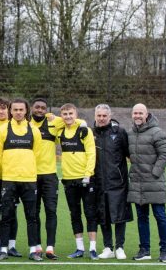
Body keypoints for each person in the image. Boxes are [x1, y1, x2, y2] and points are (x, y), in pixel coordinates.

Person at [0, 98, 42, 261]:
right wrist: (9, 168)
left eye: (21, 110)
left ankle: (33, 251)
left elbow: (37, 153)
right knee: (6, 215)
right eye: (15, 110)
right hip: (9, 179)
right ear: (10, 111)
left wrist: (26, 167)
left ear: (26, 111)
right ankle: (4, 249)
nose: (18, 112)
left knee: (31, 216)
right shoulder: (2, 130)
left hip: (29, 179)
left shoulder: (34, 130)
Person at [127, 103, 166, 262]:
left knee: (160, 216)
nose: (137, 116)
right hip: (137, 184)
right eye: (135, 113)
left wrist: (155, 173)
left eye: (140, 113)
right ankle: (144, 250)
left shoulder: (157, 132)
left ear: (146, 115)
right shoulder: (130, 133)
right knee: (142, 217)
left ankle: (165, 250)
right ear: (132, 115)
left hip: (154, 183)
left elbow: (165, 153)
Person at [57, 104, 98, 260]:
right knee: (74, 214)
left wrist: (87, 175)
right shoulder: (60, 132)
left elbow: (91, 153)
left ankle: (93, 248)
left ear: (76, 114)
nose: (68, 116)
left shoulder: (85, 130)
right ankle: (79, 248)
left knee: (90, 213)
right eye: (65, 114)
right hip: (68, 180)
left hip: (85, 179)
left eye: (70, 113)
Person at [93, 104, 132, 260]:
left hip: (118, 182)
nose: (101, 118)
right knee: (104, 215)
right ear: (95, 116)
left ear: (110, 116)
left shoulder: (120, 132)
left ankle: (120, 247)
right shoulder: (90, 133)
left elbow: (129, 154)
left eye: (104, 116)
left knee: (119, 215)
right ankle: (108, 247)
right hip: (98, 182)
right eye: (99, 115)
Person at [30, 98, 66, 260]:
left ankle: (50, 247)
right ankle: (37, 246)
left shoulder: (53, 123)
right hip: (30, 175)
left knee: (51, 211)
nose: (40, 110)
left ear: (47, 110)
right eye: (37, 107)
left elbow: (75, 121)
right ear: (31, 108)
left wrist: (55, 117)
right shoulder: (25, 124)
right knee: (34, 212)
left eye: (43, 108)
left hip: (50, 176)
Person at [0, 97, 21, 256]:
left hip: (13, 177)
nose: (1, 111)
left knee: (12, 212)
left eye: (4, 108)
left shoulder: (17, 125)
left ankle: (11, 245)